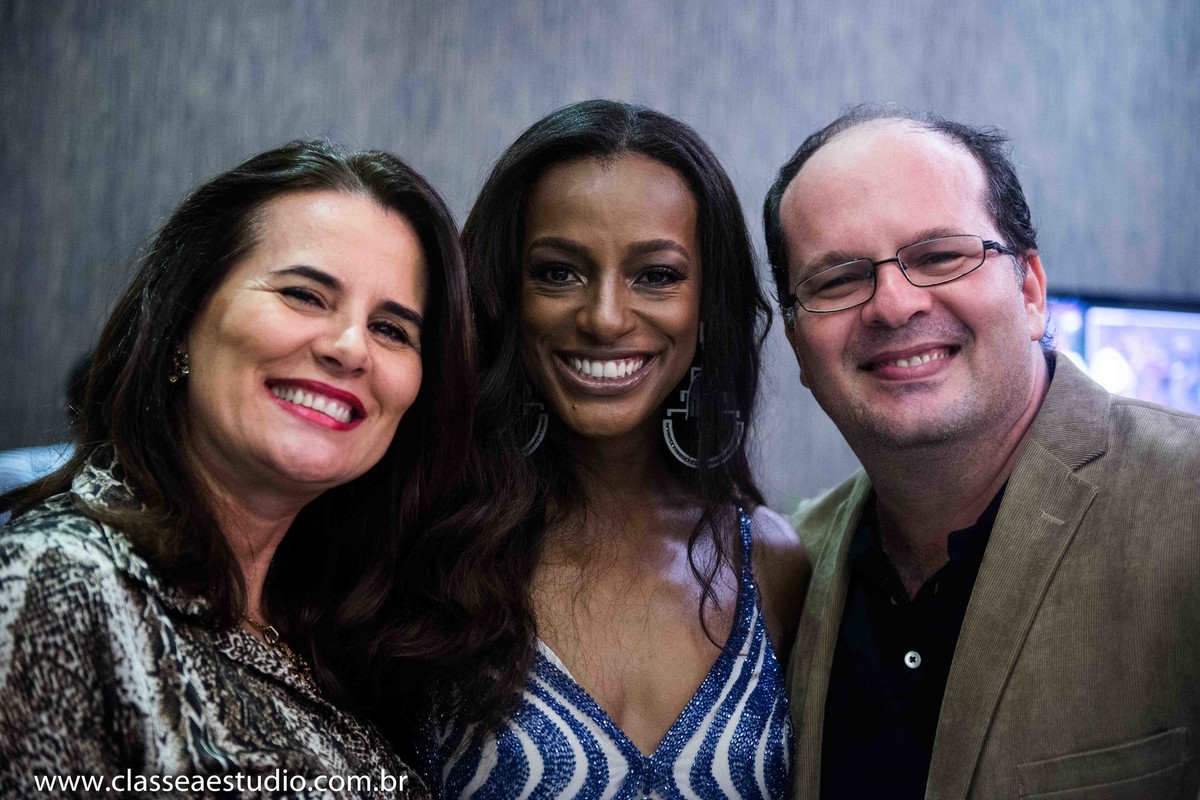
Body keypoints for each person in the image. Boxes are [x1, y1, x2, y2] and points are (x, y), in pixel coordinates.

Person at [0, 139, 478, 798]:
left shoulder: (339, 640)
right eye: (305, 295)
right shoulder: (58, 579)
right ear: (179, 327)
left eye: (392, 330)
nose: (349, 348)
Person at [763, 105, 1200, 798]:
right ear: (797, 348)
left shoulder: (1188, 505)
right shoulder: (787, 565)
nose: (893, 305)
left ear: (1029, 291)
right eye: (838, 279)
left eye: (939, 256)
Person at [415, 100, 808, 799]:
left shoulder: (772, 563)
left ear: (707, 305)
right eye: (559, 272)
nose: (604, 317)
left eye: (656, 275)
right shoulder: (425, 545)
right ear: (507, 294)